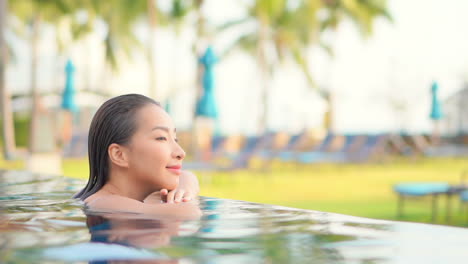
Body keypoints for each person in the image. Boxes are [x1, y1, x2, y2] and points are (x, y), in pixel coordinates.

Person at [74, 94, 201, 219]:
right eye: (162, 138)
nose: (181, 153)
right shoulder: (104, 204)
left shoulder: (140, 202)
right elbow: (190, 212)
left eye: (175, 139)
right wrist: (184, 201)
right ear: (119, 155)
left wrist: (184, 190)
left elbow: (188, 176)